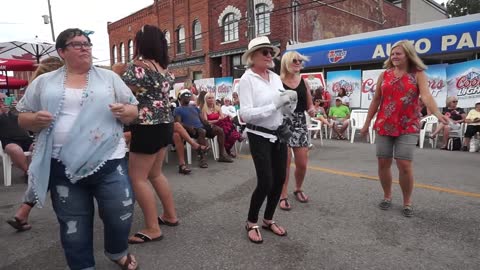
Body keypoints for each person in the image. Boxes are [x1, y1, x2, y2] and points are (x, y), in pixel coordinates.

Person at [16, 28, 139, 269]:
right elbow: (22, 116)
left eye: (87, 43)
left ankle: (117, 251)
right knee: (73, 224)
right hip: (61, 165)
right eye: (76, 44)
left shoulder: (109, 78)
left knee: (120, 211)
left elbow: (133, 109)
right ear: (62, 51)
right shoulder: (44, 82)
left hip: (109, 160)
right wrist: (33, 120)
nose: (85, 47)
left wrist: (126, 113)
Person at [360, 40, 448, 218]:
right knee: (383, 162)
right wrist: (367, 122)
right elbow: (376, 99)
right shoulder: (384, 75)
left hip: (407, 124)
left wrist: (438, 113)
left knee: (404, 164)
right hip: (384, 123)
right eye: (392, 54)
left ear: (408, 54)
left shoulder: (418, 74)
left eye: (398, 53)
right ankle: (387, 196)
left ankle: (407, 201)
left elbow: (426, 95)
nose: (394, 57)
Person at [115, 25, 180, 245]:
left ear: (142, 43)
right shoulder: (165, 70)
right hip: (165, 124)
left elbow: (121, 92)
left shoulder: (137, 67)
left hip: (146, 125)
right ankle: (170, 215)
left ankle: (153, 227)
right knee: (155, 174)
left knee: (137, 178)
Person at [238, 36, 297, 244]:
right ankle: (251, 221)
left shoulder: (273, 76)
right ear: (252, 57)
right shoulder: (247, 79)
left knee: (280, 179)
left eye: (271, 52)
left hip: (278, 133)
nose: (270, 55)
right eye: (265, 52)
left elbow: (282, 103)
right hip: (259, 134)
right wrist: (274, 105)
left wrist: (289, 103)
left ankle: (268, 219)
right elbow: (245, 114)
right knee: (265, 181)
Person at [5, 56, 63, 232]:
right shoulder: (57, 86)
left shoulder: (35, 86)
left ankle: (22, 213)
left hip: (41, 140)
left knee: (41, 175)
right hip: (60, 142)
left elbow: (22, 116)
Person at [277, 51, 315, 211]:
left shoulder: (303, 81)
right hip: (283, 122)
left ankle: (298, 188)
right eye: (295, 60)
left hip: (299, 122)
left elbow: (309, 104)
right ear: (286, 62)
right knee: (284, 163)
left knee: (302, 163)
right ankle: (283, 194)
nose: (298, 63)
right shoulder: (277, 82)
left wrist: (312, 109)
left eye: (300, 61)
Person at [174, 90, 233, 168]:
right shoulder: (178, 109)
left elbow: (203, 120)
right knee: (202, 131)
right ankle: (202, 159)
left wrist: (210, 124)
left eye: (189, 95)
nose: (188, 97)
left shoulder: (195, 108)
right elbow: (178, 123)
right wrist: (188, 127)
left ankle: (222, 155)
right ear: (180, 98)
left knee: (219, 130)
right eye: (185, 95)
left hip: (201, 127)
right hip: (191, 129)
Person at [202, 92, 242, 157]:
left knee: (226, 122)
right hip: (212, 126)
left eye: (212, 98)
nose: (211, 99)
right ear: (206, 99)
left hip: (221, 124)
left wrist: (220, 118)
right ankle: (236, 137)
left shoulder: (217, 107)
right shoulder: (204, 109)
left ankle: (229, 147)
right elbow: (206, 122)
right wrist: (216, 120)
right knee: (226, 125)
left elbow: (222, 117)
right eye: (209, 98)